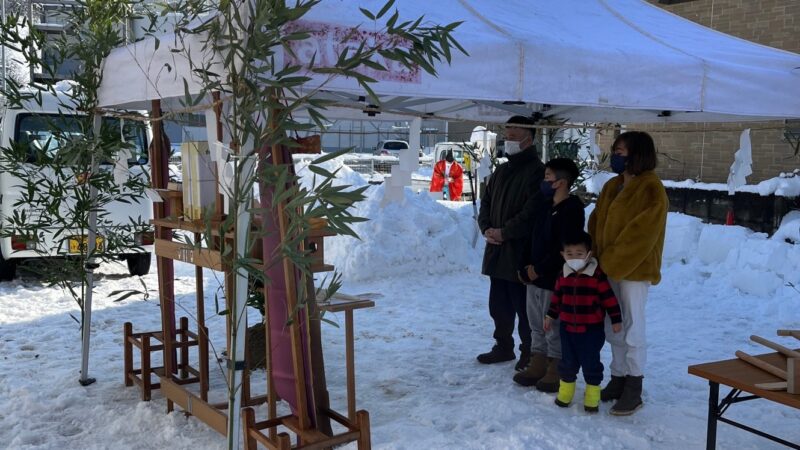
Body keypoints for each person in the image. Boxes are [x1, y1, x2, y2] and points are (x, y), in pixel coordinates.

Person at [587, 130, 668, 416]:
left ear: (637, 154)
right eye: (615, 150)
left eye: (620, 151)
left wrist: (611, 262)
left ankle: (634, 386)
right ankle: (618, 377)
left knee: (633, 326)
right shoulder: (612, 186)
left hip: (635, 270)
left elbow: (641, 234)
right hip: (608, 267)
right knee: (615, 326)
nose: (615, 155)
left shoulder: (651, 188)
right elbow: (597, 222)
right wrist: (595, 257)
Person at [477, 115, 545, 371]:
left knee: (525, 308)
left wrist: (505, 232)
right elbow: (486, 201)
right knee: (499, 305)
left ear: (529, 138)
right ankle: (503, 346)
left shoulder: (537, 172)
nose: (509, 141)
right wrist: (486, 227)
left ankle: (529, 351)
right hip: (497, 250)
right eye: (507, 136)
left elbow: (531, 212)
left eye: (515, 137)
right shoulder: (502, 170)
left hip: (520, 252)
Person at [514, 158, 585, 392]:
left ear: (561, 183)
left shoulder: (572, 210)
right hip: (533, 278)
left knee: (551, 324)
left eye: (548, 177)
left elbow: (564, 248)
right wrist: (524, 266)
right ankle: (538, 360)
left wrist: (539, 269)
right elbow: (531, 237)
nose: (543, 181)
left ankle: (556, 365)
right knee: (534, 322)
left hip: (553, 279)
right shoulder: (544, 205)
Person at [544, 231, 622, 413]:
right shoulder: (562, 275)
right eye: (569, 254)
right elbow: (556, 298)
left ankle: (592, 396)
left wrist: (616, 319)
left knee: (591, 362)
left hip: (591, 330)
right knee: (568, 361)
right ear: (563, 255)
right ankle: (566, 392)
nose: (574, 258)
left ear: (589, 254)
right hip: (567, 328)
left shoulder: (596, 276)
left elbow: (609, 299)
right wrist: (550, 315)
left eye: (579, 253)